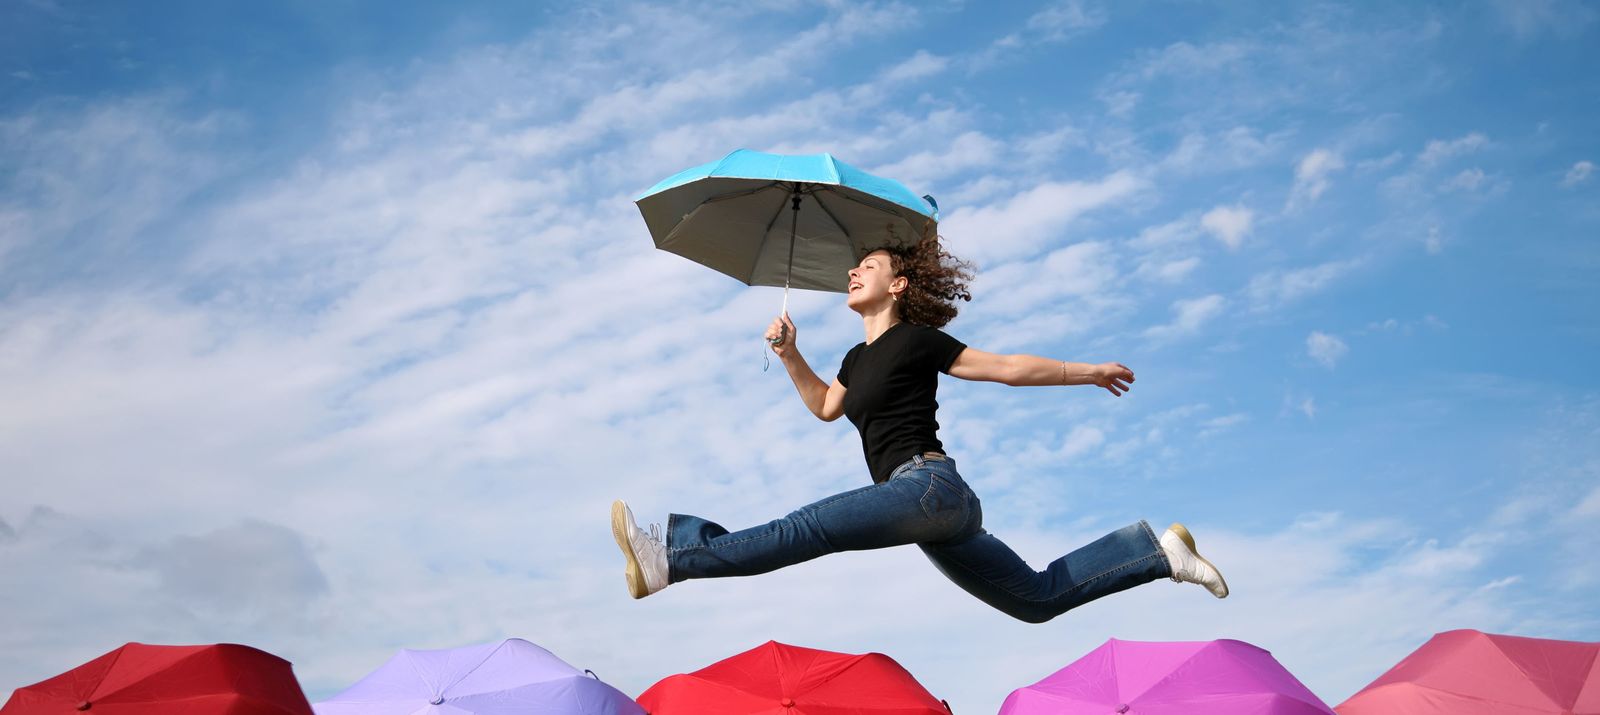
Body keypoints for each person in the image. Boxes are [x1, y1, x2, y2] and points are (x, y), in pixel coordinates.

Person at [610, 236, 1227, 623]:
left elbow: (1006, 369)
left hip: (927, 488)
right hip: (931, 511)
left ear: (897, 284)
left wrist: (1085, 371)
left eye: (867, 266)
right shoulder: (856, 359)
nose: (854, 273)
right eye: (853, 267)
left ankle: (674, 552)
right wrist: (792, 355)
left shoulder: (915, 340)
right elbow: (827, 408)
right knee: (1035, 600)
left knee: (801, 530)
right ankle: (1154, 552)